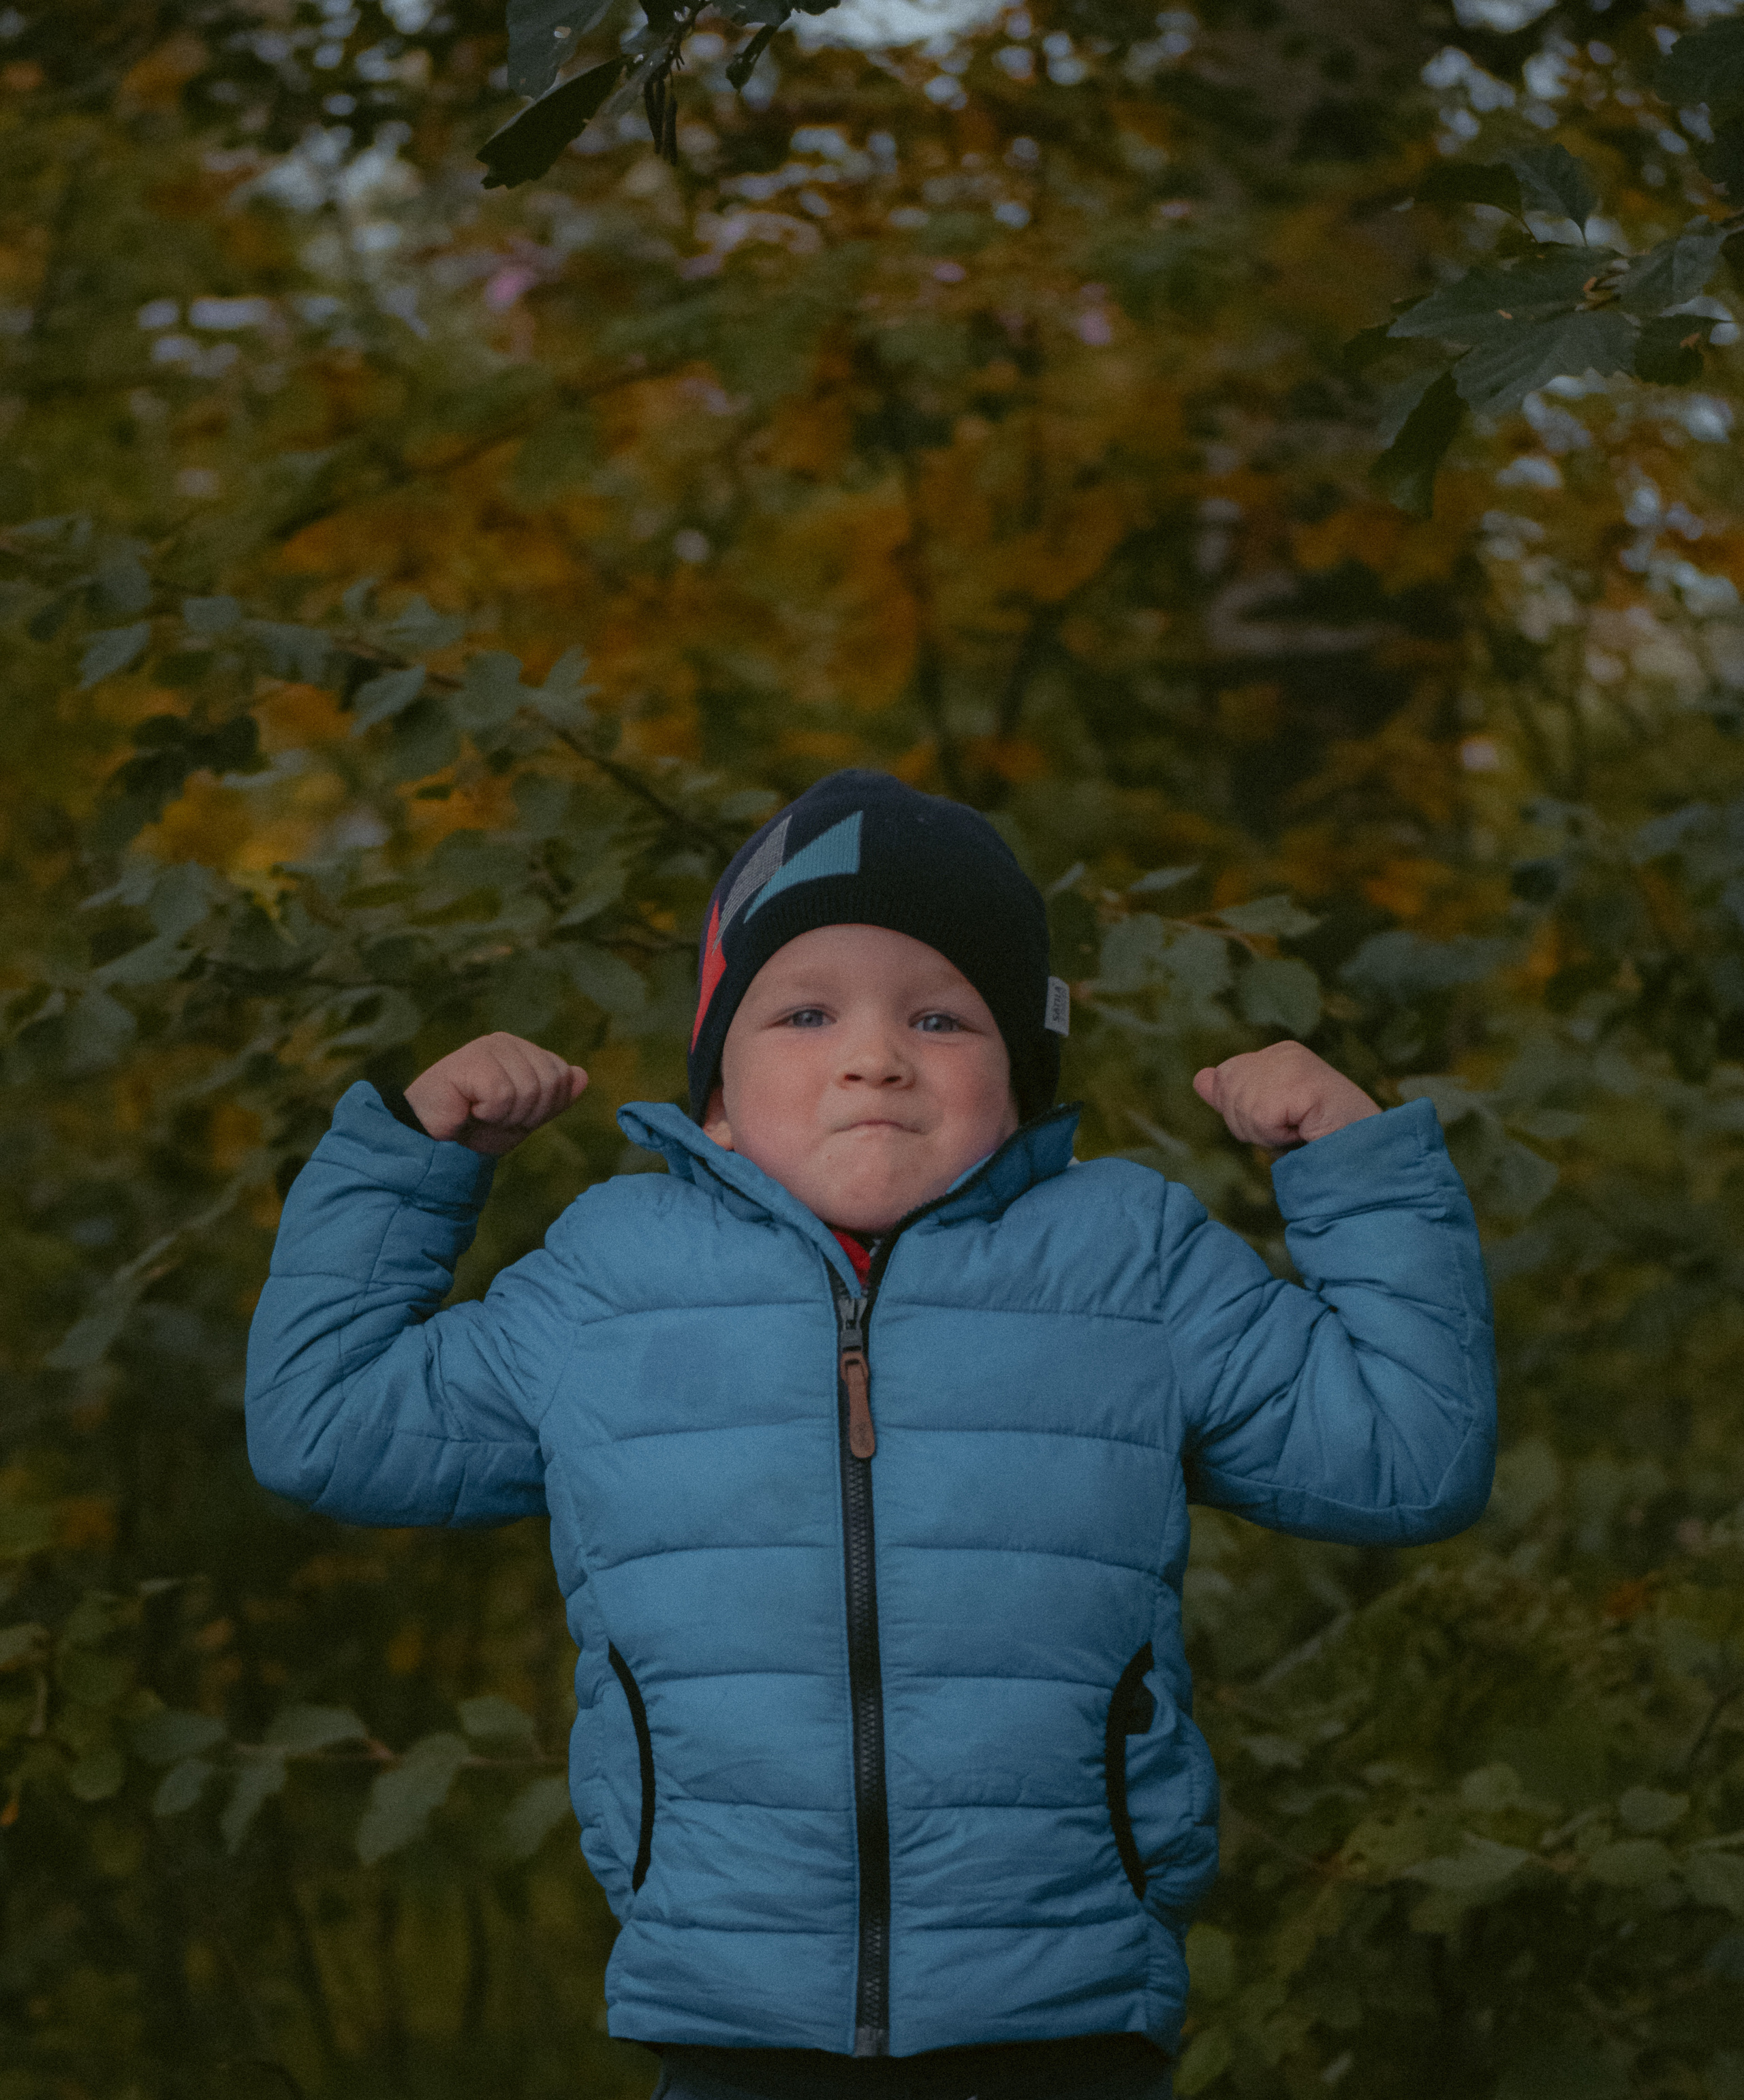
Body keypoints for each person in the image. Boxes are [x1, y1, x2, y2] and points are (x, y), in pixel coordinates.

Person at [246, 768, 1496, 2100]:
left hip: (1062, 2018)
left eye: (942, 1017)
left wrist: (1351, 1167)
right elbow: (325, 1424)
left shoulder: (1128, 1262)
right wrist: (416, 1160)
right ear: (713, 1093)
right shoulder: (611, 1278)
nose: (873, 1054)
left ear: (1017, 1079)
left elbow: (1408, 1457)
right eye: (802, 1010)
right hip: (734, 2025)